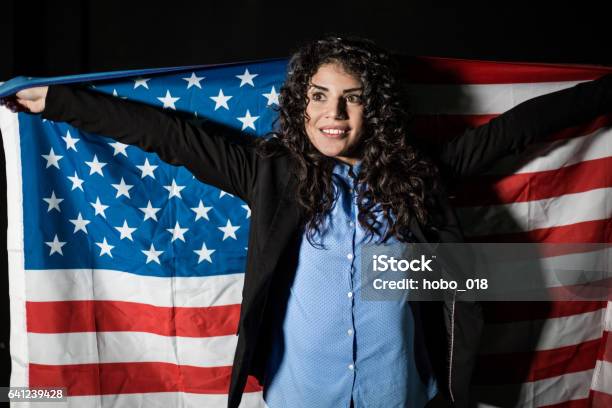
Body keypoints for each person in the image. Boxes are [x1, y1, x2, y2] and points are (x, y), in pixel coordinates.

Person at [3, 36, 612, 408]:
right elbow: (171, 137)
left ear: (376, 107)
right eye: (319, 96)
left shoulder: (421, 177)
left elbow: (516, 132)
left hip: (400, 396)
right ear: (301, 104)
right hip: (299, 398)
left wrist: (600, 95)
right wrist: (59, 103)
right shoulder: (271, 176)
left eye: (352, 97)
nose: (334, 113)